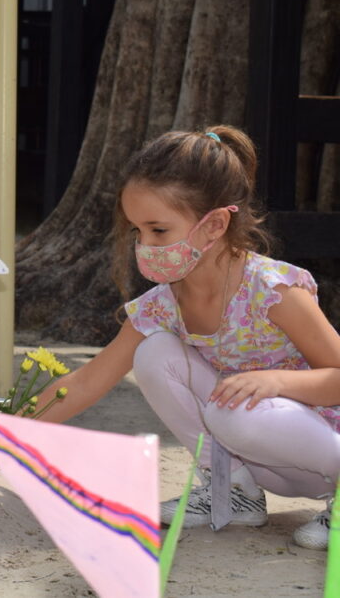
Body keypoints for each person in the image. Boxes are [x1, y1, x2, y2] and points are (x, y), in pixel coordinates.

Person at [29, 125, 340, 551]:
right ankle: (232, 492)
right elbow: (87, 382)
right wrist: (7, 433)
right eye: (137, 231)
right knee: (154, 354)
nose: (144, 244)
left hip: (323, 448)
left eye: (158, 230)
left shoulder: (273, 290)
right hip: (257, 450)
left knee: (230, 413)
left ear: (213, 226)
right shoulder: (161, 305)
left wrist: (277, 381)